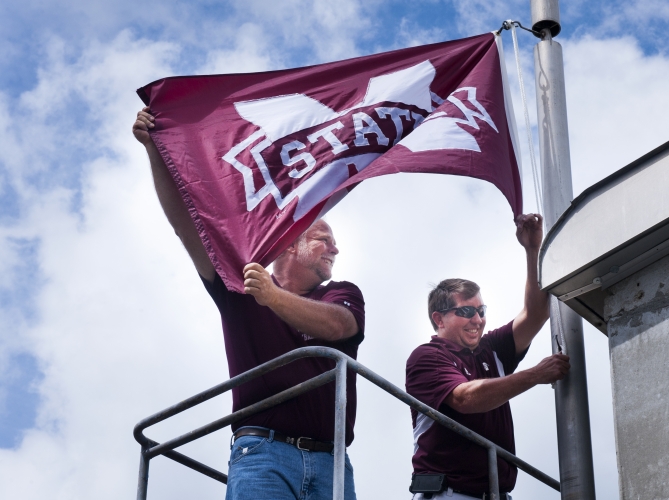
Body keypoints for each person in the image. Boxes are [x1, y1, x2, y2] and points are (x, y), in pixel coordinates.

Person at [132, 107, 364, 500]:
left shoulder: (339, 293)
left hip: (332, 462)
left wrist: (272, 297)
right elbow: (187, 227)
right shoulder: (240, 285)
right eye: (324, 238)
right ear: (292, 242)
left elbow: (340, 328)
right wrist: (156, 150)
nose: (335, 248)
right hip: (262, 452)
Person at [405, 214, 570, 500]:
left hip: (496, 494)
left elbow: (536, 313)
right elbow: (465, 398)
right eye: (467, 312)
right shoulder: (426, 357)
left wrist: (532, 250)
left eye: (482, 311)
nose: (478, 320)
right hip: (450, 494)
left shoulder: (491, 348)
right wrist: (535, 375)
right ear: (439, 319)